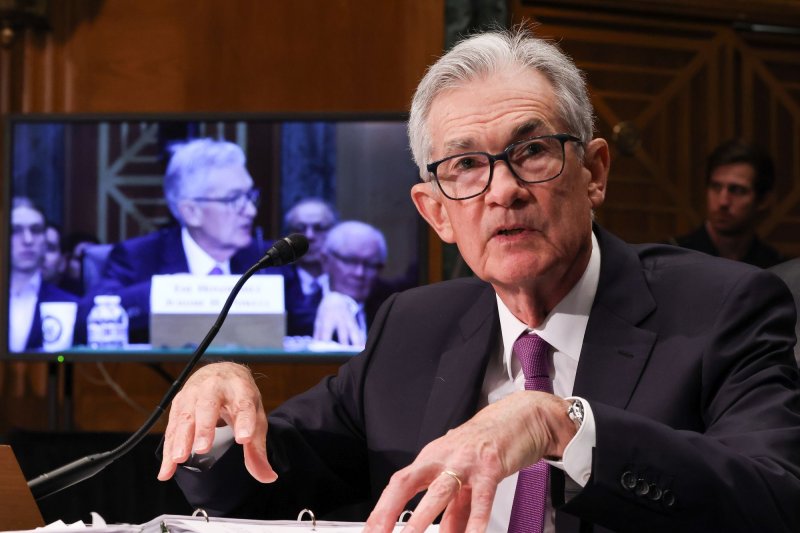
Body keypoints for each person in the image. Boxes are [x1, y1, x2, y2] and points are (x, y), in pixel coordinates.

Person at [157, 29, 800, 532]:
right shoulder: (412, 327)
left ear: (595, 173)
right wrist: (215, 412)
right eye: (466, 165)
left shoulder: (723, 308)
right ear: (436, 211)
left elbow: (776, 502)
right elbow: (269, 480)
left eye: (533, 151)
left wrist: (561, 425)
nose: (504, 191)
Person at [95, 138, 270, 343]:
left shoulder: (268, 259)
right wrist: (167, 293)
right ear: (191, 212)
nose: (251, 210)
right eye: (233, 199)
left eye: (250, 196)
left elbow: (305, 325)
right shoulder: (138, 257)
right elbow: (82, 320)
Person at [672, 139, 785, 267]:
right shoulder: (671, 258)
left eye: (737, 190)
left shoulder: (776, 267)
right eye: (716, 187)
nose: (723, 202)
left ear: (763, 200)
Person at [312, 220, 389, 347]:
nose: (359, 273)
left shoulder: (390, 310)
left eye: (370, 264)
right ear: (325, 260)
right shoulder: (298, 307)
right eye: (350, 261)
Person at [282, 198, 338, 336]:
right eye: (300, 228)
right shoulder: (279, 283)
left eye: (319, 228)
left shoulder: (351, 277)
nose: (309, 236)